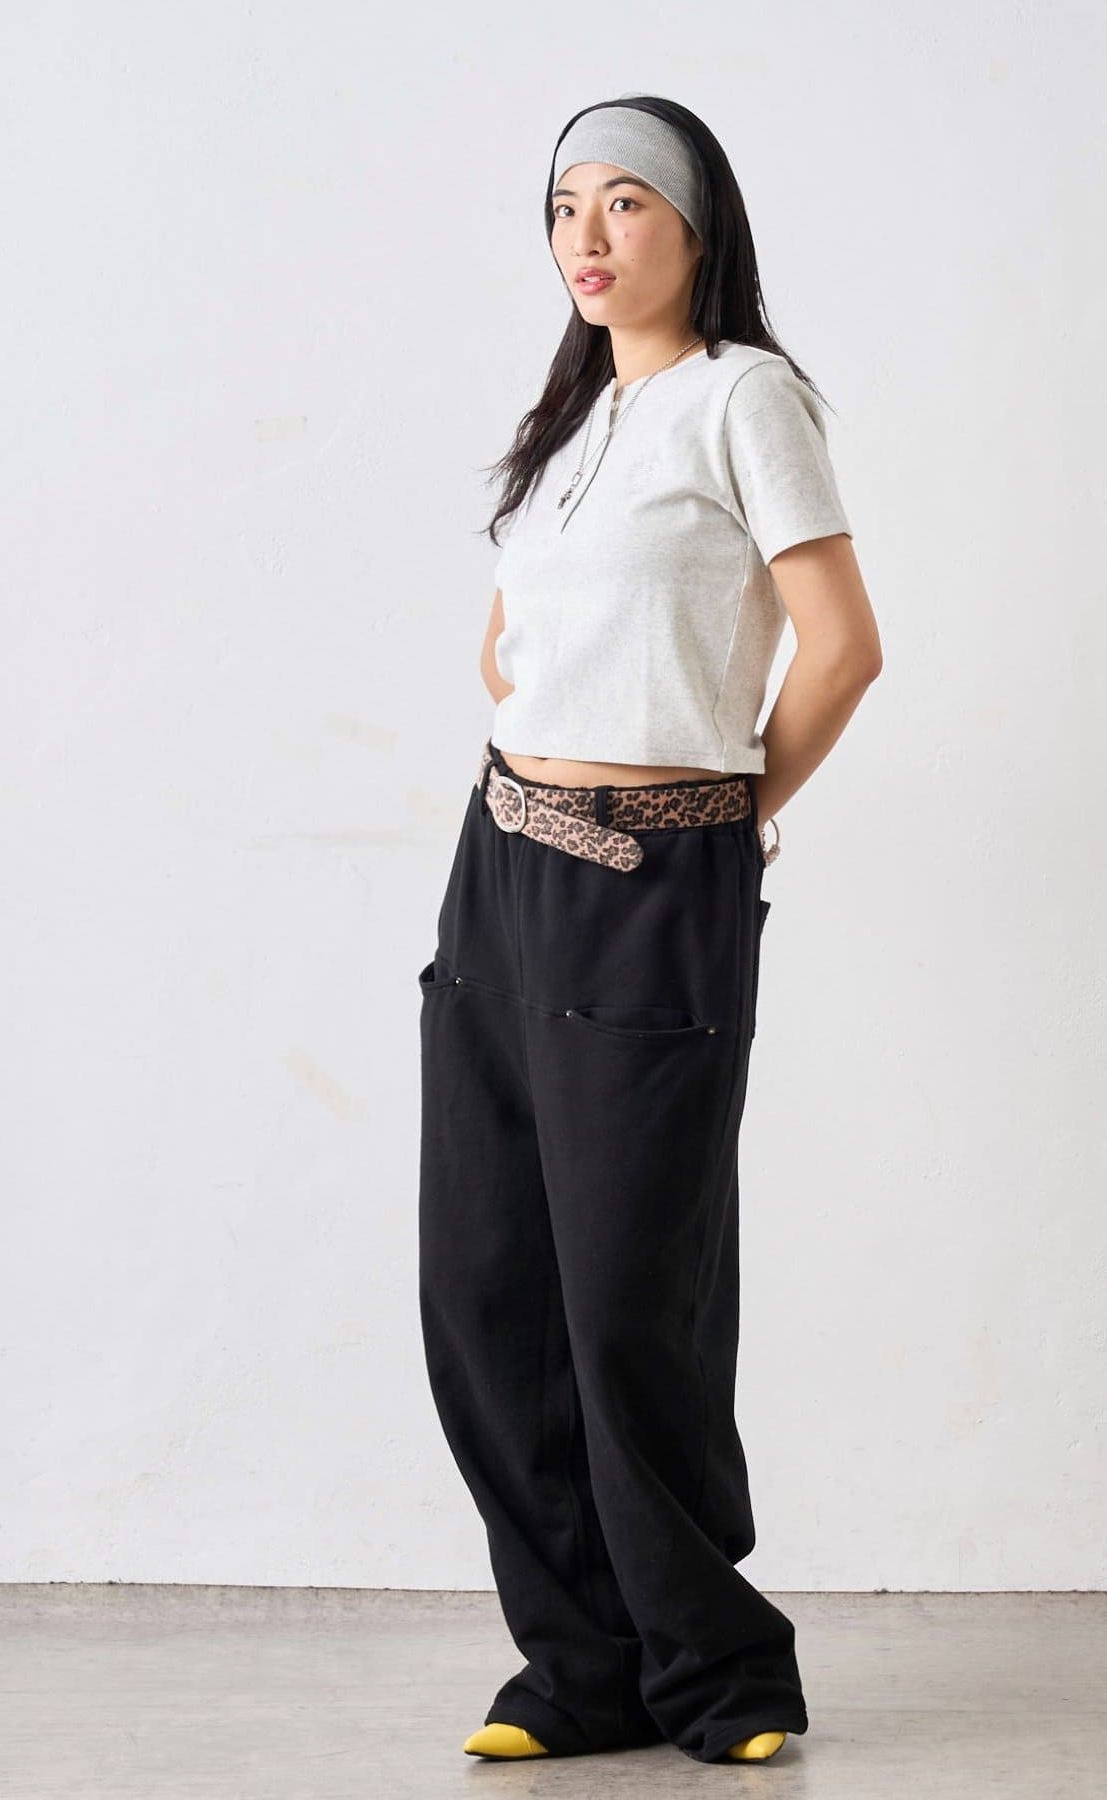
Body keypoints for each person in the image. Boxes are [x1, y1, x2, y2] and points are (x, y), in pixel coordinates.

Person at [417, 92, 882, 1768]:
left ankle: (715, 1668)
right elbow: (510, 651)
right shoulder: (567, 428)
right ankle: (578, 1666)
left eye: (625, 203)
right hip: (500, 873)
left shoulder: (746, 400)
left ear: (697, 226)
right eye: (565, 207)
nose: (588, 237)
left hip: (655, 886)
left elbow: (842, 644)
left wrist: (726, 816)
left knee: (630, 1296)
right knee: (487, 1288)